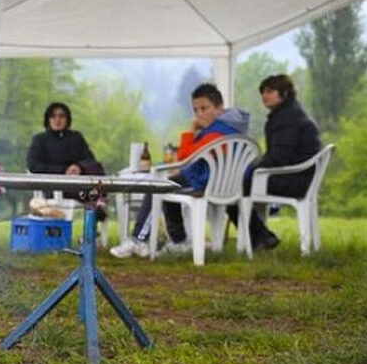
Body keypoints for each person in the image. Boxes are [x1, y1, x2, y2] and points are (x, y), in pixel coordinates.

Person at [110, 83, 250, 258]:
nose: (199, 114)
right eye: (195, 110)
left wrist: (191, 130)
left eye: (204, 108)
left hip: (206, 183)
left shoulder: (216, 134)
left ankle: (140, 239)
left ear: (219, 108)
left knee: (159, 187)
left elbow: (184, 157)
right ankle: (177, 241)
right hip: (226, 185)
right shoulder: (236, 129)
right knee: (170, 185)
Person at [227, 74, 321, 250]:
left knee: (233, 190)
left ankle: (261, 237)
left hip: (294, 180)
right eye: (263, 91)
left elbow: (278, 157)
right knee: (241, 184)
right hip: (302, 177)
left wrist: (251, 169)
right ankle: (261, 236)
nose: (264, 96)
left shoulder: (286, 118)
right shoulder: (290, 113)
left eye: (270, 91)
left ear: (285, 93)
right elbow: (278, 155)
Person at [26, 102, 107, 218]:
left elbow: (90, 159)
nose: (57, 119)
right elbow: (33, 165)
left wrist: (78, 168)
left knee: (96, 175)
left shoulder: (76, 137)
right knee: (89, 195)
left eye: (61, 116)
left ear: (67, 118)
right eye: (53, 116)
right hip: (53, 185)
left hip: (78, 182)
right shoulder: (40, 140)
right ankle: (95, 208)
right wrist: (63, 170)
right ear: (48, 119)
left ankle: (95, 216)